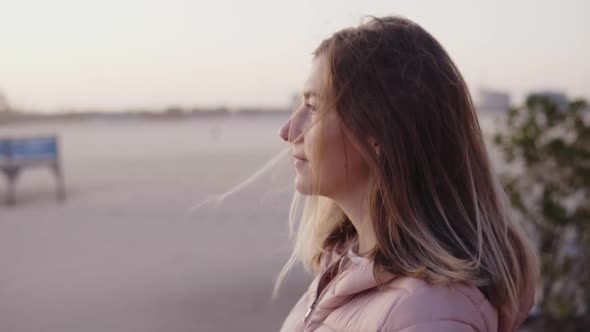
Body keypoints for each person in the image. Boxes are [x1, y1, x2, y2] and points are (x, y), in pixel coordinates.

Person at [276, 16, 538, 332]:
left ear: (378, 134)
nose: (288, 131)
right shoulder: (344, 263)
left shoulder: (430, 313)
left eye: (313, 107)